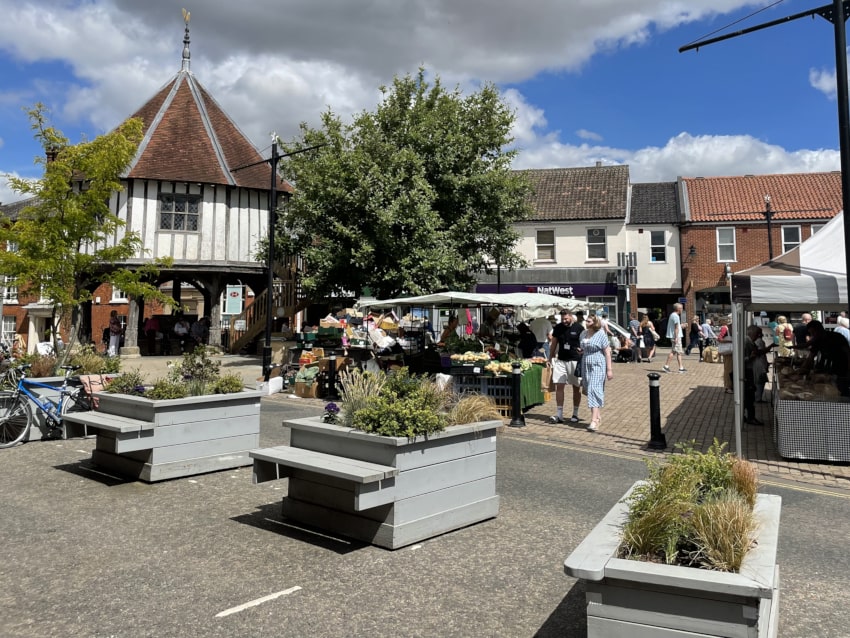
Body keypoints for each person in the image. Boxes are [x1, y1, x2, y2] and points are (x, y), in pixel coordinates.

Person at [794, 319, 850, 397]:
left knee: (842, 392)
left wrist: (848, 370)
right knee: (826, 392)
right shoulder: (818, 340)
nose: (812, 335)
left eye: (813, 332)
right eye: (811, 333)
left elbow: (848, 353)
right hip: (828, 370)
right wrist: (802, 370)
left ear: (820, 329)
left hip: (842, 369)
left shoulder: (837, 337)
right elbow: (811, 356)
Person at [579, 314, 613, 432]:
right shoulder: (583, 334)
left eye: (588, 321)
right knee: (589, 389)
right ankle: (597, 416)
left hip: (598, 362)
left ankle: (593, 421)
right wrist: (581, 351)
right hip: (585, 362)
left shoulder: (601, 334)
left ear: (594, 322)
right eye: (586, 321)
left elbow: (607, 352)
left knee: (594, 388)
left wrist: (609, 370)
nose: (586, 323)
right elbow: (583, 347)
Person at [549, 309, 583, 424]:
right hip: (561, 360)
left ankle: (575, 413)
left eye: (566, 319)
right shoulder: (558, 327)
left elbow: (583, 343)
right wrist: (550, 357)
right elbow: (554, 342)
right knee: (559, 386)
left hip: (574, 360)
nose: (564, 321)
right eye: (563, 319)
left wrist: (582, 352)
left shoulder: (579, 328)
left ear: (571, 317)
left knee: (576, 387)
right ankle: (559, 414)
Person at [743, 326, 765, 425]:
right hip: (747, 371)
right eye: (758, 334)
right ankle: (750, 417)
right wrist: (750, 357)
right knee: (749, 394)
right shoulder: (746, 342)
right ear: (752, 333)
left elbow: (758, 352)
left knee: (749, 394)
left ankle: (747, 415)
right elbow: (741, 359)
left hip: (749, 370)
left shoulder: (750, 342)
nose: (759, 336)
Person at [662, 303, 685, 373]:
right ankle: (666, 366)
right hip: (676, 337)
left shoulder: (673, 315)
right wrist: (676, 337)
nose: (682, 310)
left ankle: (681, 368)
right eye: (681, 308)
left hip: (675, 336)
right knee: (675, 351)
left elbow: (676, 327)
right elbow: (676, 328)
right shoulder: (676, 316)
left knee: (678, 352)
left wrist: (681, 325)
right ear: (678, 309)